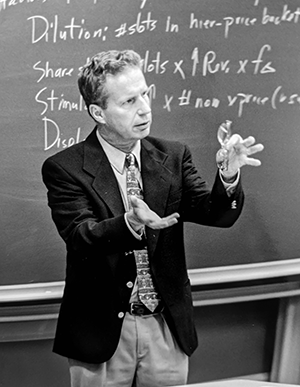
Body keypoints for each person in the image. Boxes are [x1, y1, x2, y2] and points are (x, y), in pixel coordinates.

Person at [42, 49, 264, 387]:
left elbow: (216, 214)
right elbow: (80, 235)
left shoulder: (172, 156)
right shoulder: (65, 168)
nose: (145, 108)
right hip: (102, 330)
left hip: (165, 325)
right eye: (129, 101)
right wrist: (131, 223)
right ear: (98, 112)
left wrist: (228, 174)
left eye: (145, 94)